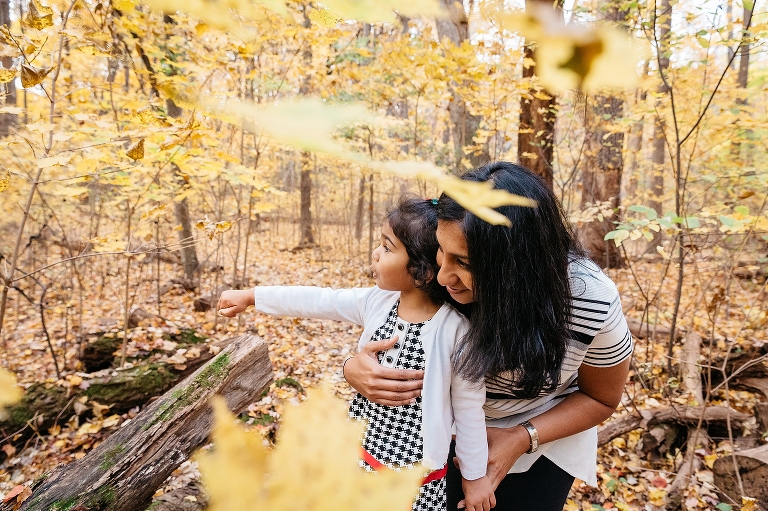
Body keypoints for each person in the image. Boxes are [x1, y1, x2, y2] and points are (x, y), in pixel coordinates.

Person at [344, 162, 633, 511]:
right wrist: (351, 369)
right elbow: (380, 319)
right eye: (440, 251)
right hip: (436, 439)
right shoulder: (436, 280)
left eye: (464, 263)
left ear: (518, 266)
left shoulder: (590, 301)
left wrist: (523, 436)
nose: (442, 276)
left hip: (544, 440)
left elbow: (601, 398)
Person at [217, 197, 495, 511]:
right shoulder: (377, 302)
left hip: (414, 480)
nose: (376, 253)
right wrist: (253, 296)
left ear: (422, 272)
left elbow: (470, 409)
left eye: (388, 248)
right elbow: (318, 301)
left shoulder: (455, 331)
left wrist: (474, 478)